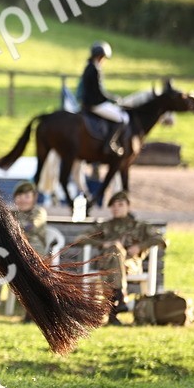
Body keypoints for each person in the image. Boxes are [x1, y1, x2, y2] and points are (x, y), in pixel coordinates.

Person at [81, 190, 166, 325]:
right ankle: (119, 297)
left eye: (120, 205)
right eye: (113, 205)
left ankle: (114, 307)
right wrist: (103, 244)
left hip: (129, 264)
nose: (116, 208)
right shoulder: (105, 226)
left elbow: (160, 238)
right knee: (114, 251)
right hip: (106, 262)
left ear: (128, 206)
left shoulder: (138, 226)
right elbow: (81, 238)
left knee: (114, 256)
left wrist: (140, 247)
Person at [0, 181, 48, 320]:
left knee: (30, 273)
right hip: (12, 255)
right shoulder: (11, 213)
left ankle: (33, 309)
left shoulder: (38, 212)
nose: (22, 199)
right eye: (19, 196)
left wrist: (9, 226)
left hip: (33, 255)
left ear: (34, 198)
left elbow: (32, 226)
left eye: (26, 196)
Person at [79, 41, 129, 158]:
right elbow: (99, 92)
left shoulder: (88, 67)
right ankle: (109, 144)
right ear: (100, 56)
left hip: (87, 103)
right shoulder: (95, 69)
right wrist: (113, 99)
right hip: (95, 104)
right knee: (122, 119)